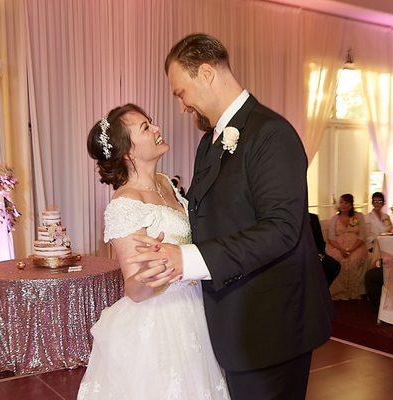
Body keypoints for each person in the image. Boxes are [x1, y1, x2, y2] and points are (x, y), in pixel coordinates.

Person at [128, 33, 332, 400]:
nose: (181, 106)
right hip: (234, 324)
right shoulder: (209, 143)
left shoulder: (272, 134)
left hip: (272, 327)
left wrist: (188, 259)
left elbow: (281, 229)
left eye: (180, 92)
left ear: (206, 74)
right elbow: (212, 217)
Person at [77, 104, 229, 399]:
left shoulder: (165, 184)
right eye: (146, 128)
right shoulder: (124, 205)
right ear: (127, 152)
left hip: (198, 303)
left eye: (152, 123)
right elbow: (133, 287)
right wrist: (159, 271)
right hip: (162, 322)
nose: (157, 129)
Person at [326, 194, 368, 300]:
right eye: (341, 202)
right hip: (338, 246)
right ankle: (340, 292)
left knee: (354, 260)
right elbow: (331, 238)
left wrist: (351, 249)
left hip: (356, 246)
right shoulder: (334, 218)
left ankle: (353, 292)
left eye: (346, 203)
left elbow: (362, 236)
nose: (343, 205)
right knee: (338, 260)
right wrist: (342, 250)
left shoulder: (358, 216)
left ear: (351, 205)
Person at [310, 213, 341, 286]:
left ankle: (321, 291)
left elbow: (320, 241)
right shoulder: (287, 218)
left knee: (335, 266)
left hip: (314, 254)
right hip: (295, 257)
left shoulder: (313, 218)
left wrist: (320, 255)